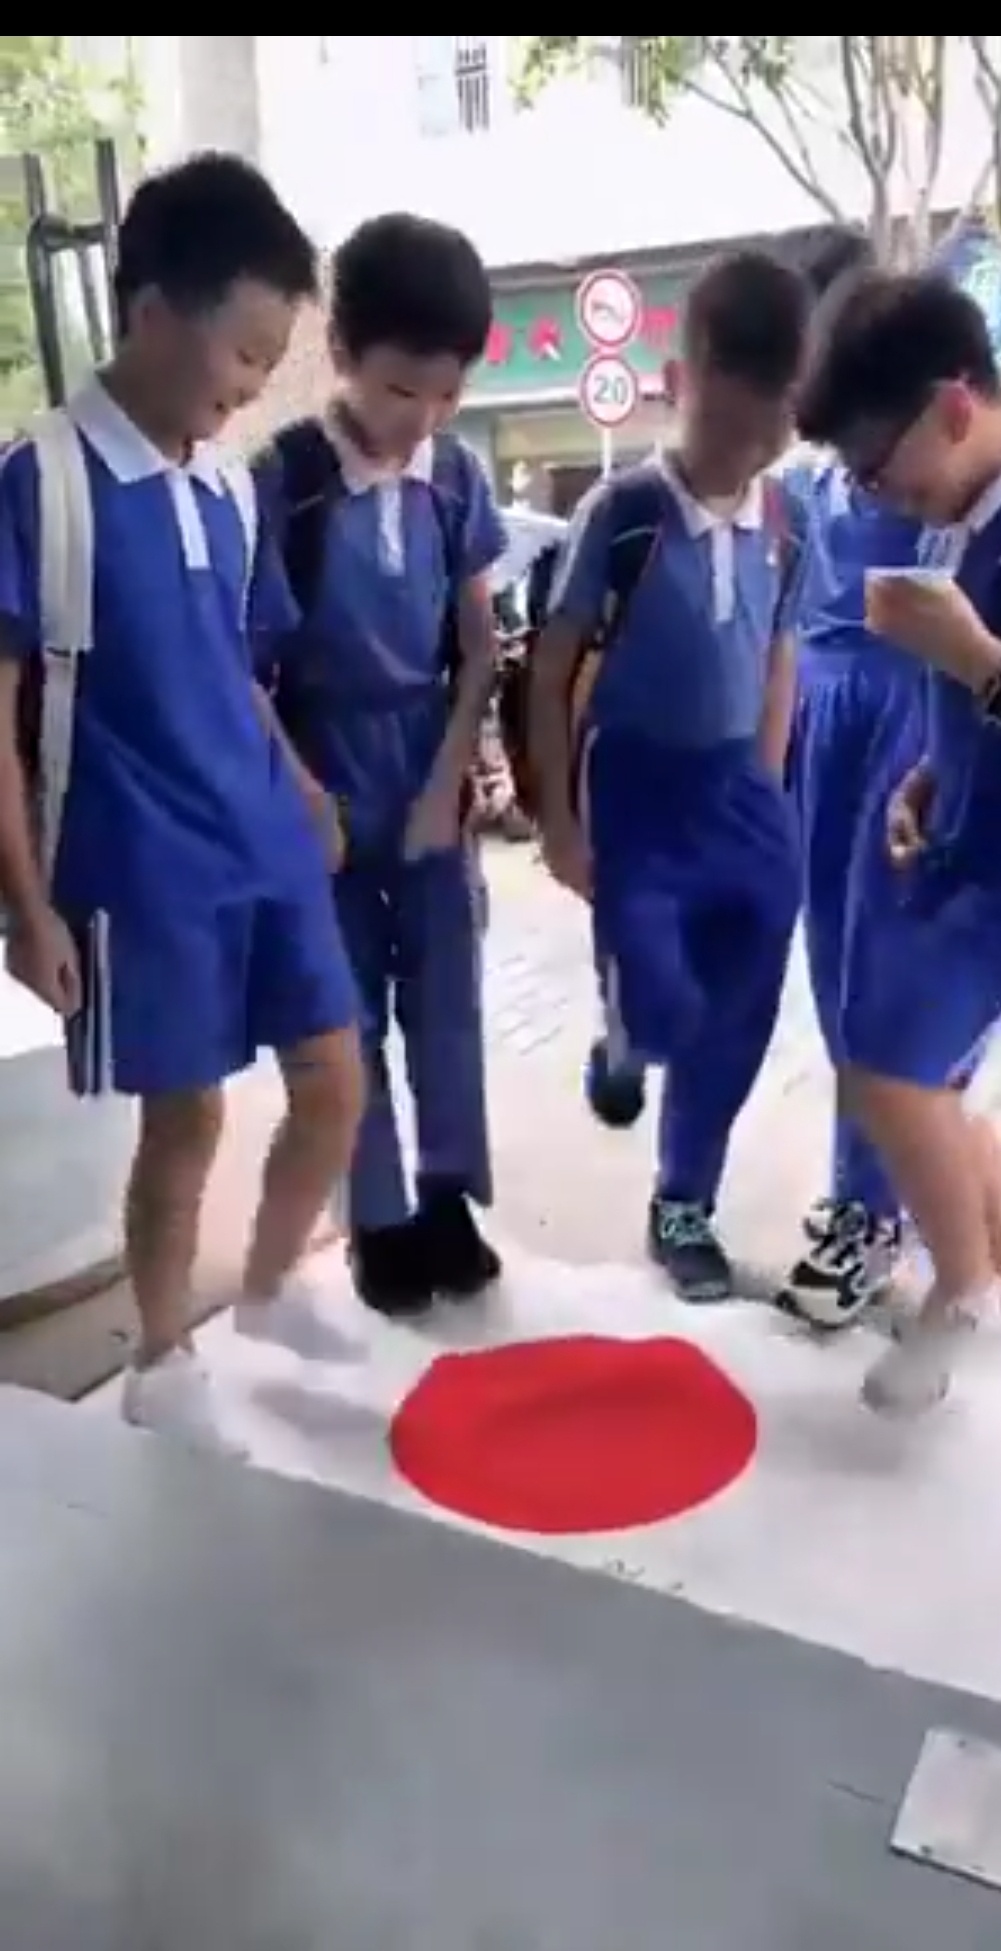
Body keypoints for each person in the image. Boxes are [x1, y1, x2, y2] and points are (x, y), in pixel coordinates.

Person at [0, 153, 367, 1458]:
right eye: (245, 353)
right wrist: (28, 905)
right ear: (153, 312)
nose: (254, 386)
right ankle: (163, 1357)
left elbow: (237, 668)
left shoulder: (227, 485)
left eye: (271, 361)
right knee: (187, 1117)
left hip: (263, 836)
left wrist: (304, 783)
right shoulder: (41, 480)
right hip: (142, 858)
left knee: (336, 1078)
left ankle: (267, 1285)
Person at [797, 268, 1001, 1412]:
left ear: (952, 405)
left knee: (885, 1067)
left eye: (873, 466)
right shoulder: (965, 524)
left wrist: (970, 657)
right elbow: (967, 709)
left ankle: (963, 1293)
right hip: (969, 850)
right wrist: (921, 780)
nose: (874, 493)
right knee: (932, 1079)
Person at [529, 250, 808, 1301]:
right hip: (637, 790)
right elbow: (551, 665)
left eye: (766, 436)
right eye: (724, 429)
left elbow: (778, 655)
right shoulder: (624, 513)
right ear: (678, 383)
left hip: (740, 793)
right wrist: (558, 820)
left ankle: (682, 1202)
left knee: (739, 1007)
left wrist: (766, 787)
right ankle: (624, 1036)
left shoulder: (786, 522)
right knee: (661, 996)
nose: (742, 456)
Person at [255, 214, 505, 1318]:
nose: (424, 417)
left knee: (445, 1000)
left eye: (447, 393)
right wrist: (305, 798)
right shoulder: (288, 481)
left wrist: (451, 776)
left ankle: (447, 1198)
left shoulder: (456, 478)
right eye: (402, 389)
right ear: (340, 352)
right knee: (344, 1013)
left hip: (427, 763)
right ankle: (377, 1218)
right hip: (321, 772)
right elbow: (242, 666)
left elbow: (481, 642)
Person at [777, 227, 922, 1328]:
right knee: (831, 974)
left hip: (899, 719)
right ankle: (864, 1196)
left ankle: (877, 1214)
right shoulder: (802, 476)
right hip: (814, 723)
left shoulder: (910, 459)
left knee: (881, 978)